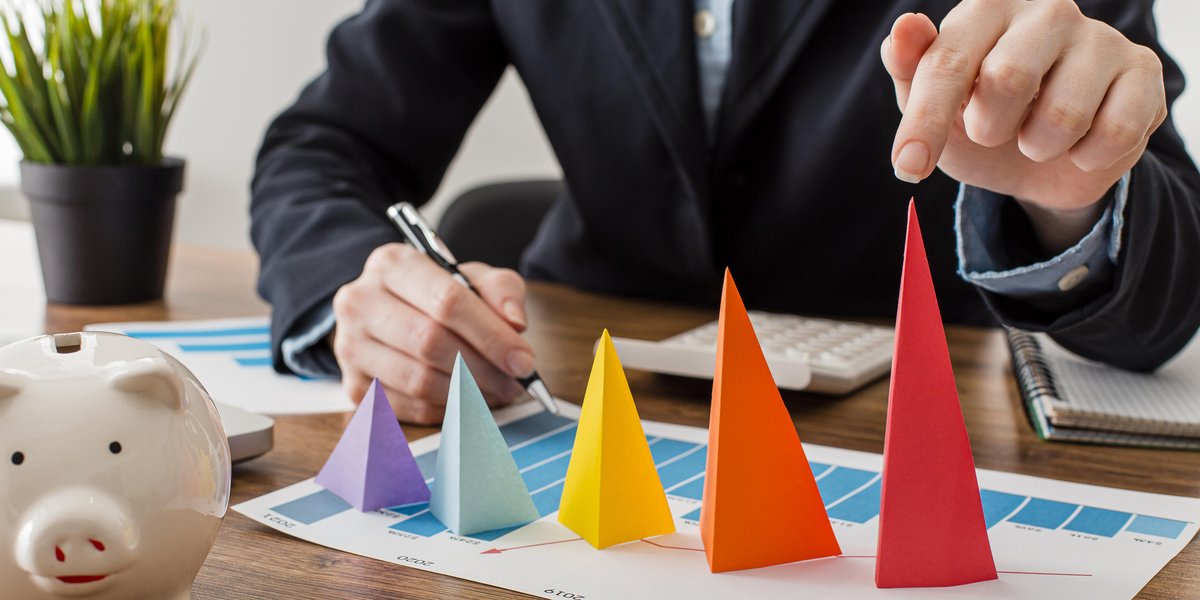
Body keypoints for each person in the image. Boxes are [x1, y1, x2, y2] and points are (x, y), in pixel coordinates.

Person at [251, 0, 1200, 424]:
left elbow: (1174, 286)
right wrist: (354, 290)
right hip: (574, 392)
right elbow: (322, 143)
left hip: (913, 419)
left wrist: (1073, 203)